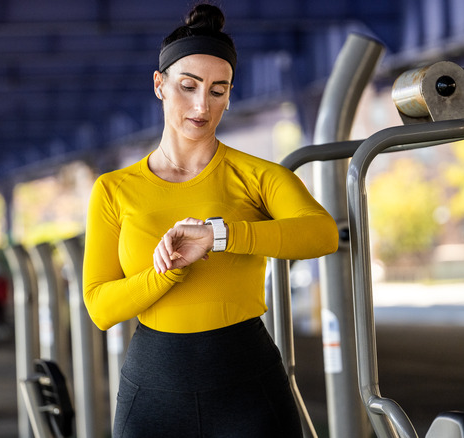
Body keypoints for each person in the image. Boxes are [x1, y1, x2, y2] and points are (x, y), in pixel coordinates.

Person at [83, 4, 338, 437]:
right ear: (160, 85)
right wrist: (165, 273)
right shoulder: (113, 188)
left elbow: (322, 233)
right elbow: (100, 308)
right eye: (188, 86)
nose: (202, 105)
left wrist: (218, 235)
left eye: (218, 91)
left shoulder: (259, 175)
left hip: (247, 383)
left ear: (230, 94)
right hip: (153, 390)